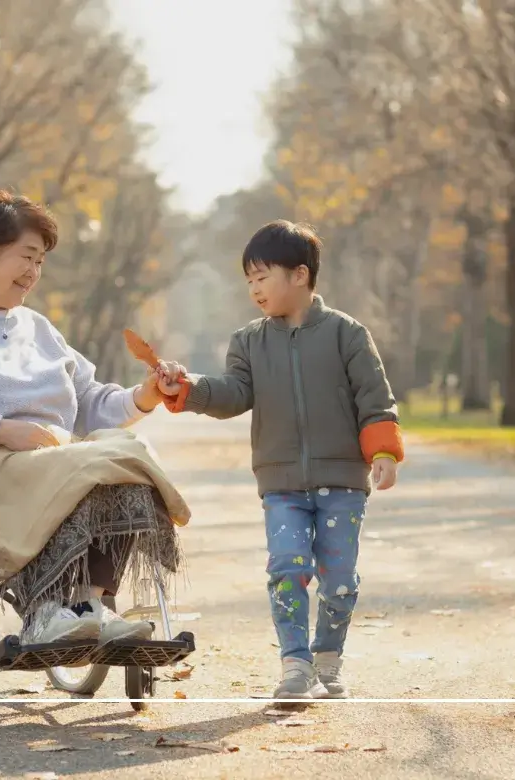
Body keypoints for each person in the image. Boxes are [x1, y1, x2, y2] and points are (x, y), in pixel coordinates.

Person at [0, 189, 190, 648]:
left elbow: (89, 401)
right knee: (84, 466)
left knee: (129, 454)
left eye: (41, 262)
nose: (33, 273)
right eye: (26, 257)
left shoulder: (39, 329)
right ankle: (46, 611)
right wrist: (2, 429)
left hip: (54, 459)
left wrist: (145, 395)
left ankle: (89, 604)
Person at [156, 219, 404, 699]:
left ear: (300, 275)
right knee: (287, 569)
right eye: (248, 279)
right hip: (282, 482)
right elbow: (233, 393)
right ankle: (295, 665)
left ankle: (328, 657)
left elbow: (375, 397)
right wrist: (187, 390)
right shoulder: (249, 341)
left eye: (262, 276)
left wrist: (384, 451)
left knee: (339, 581)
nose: (254, 289)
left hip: (342, 480)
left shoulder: (346, 334)